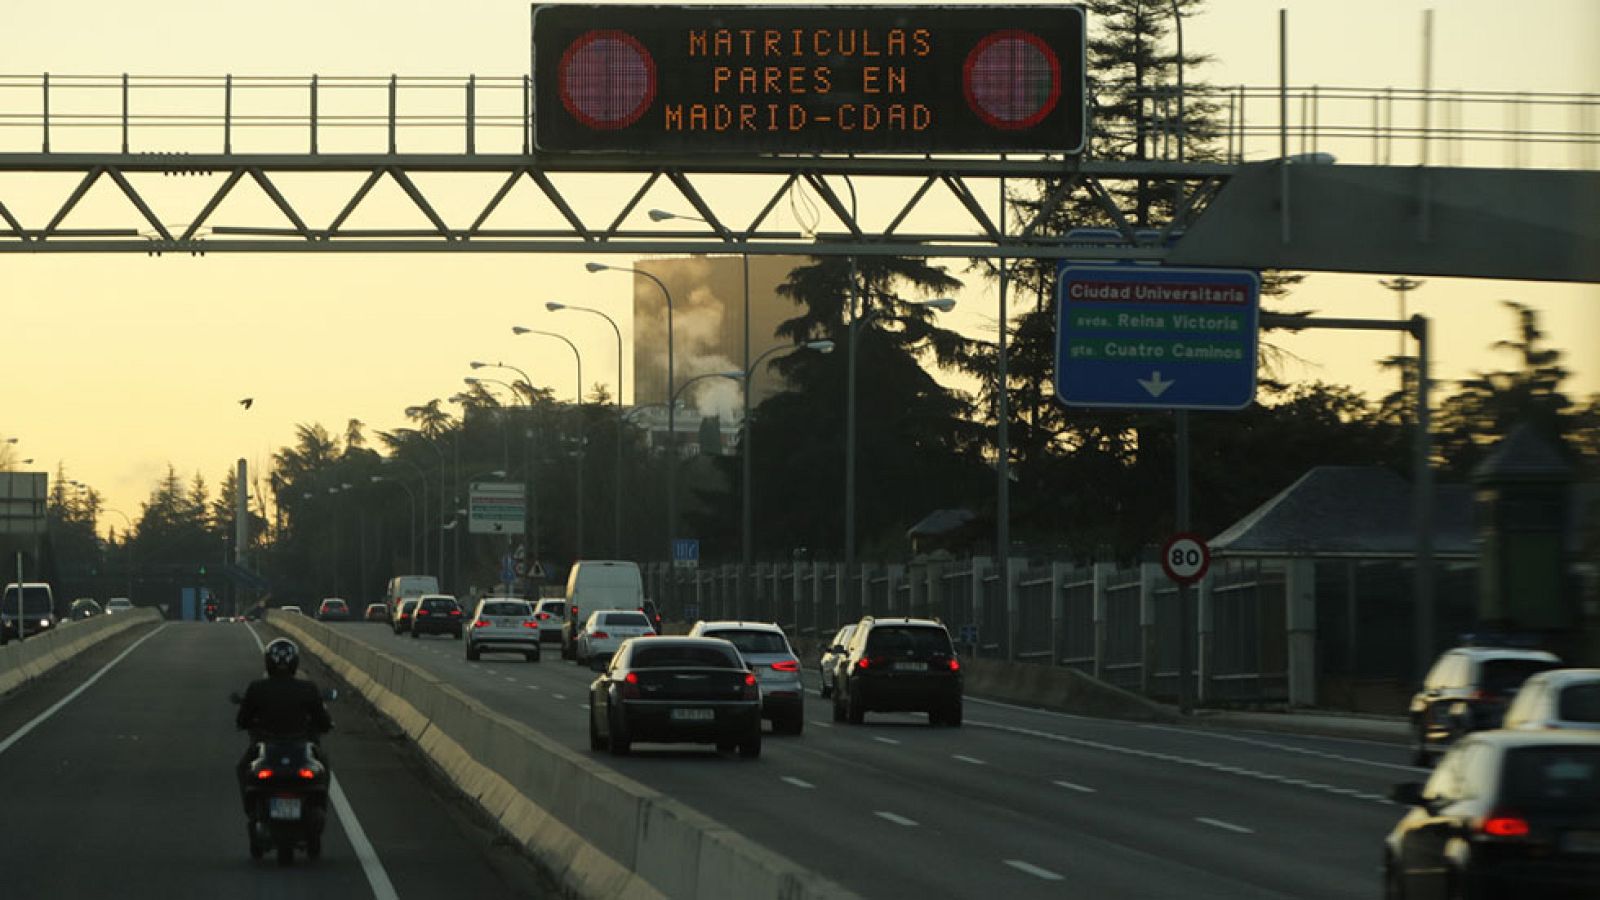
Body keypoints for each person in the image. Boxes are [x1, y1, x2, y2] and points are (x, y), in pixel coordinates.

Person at [234, 638, 333, 815]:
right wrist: (324, 725)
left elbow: (242, 720)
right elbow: (323, 721)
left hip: (267, 744)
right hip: (300, 744)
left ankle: (251, 811)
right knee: (323, 765)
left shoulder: (257, 688)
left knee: (243, 768)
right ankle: (320, 807)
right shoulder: (308, 688)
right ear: (295, 663)